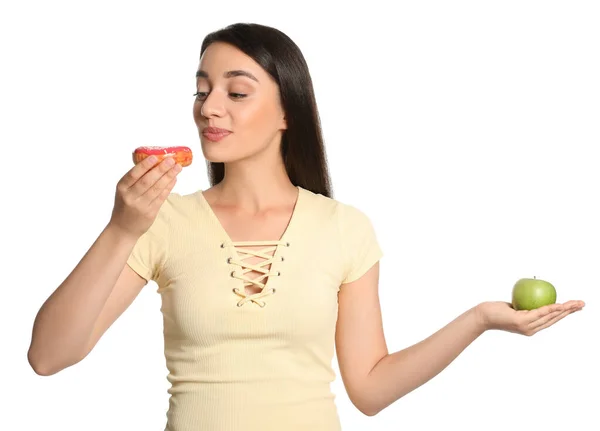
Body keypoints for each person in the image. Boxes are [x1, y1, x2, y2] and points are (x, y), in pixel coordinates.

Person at [27, 23, 585, 431]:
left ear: (287, 111)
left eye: (236, 92)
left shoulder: (344, 229)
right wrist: (122, 229)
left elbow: (369, 388)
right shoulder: (161, 222)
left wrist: (482, 318)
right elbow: (48, 356)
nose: (208, 107)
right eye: (201, 90)